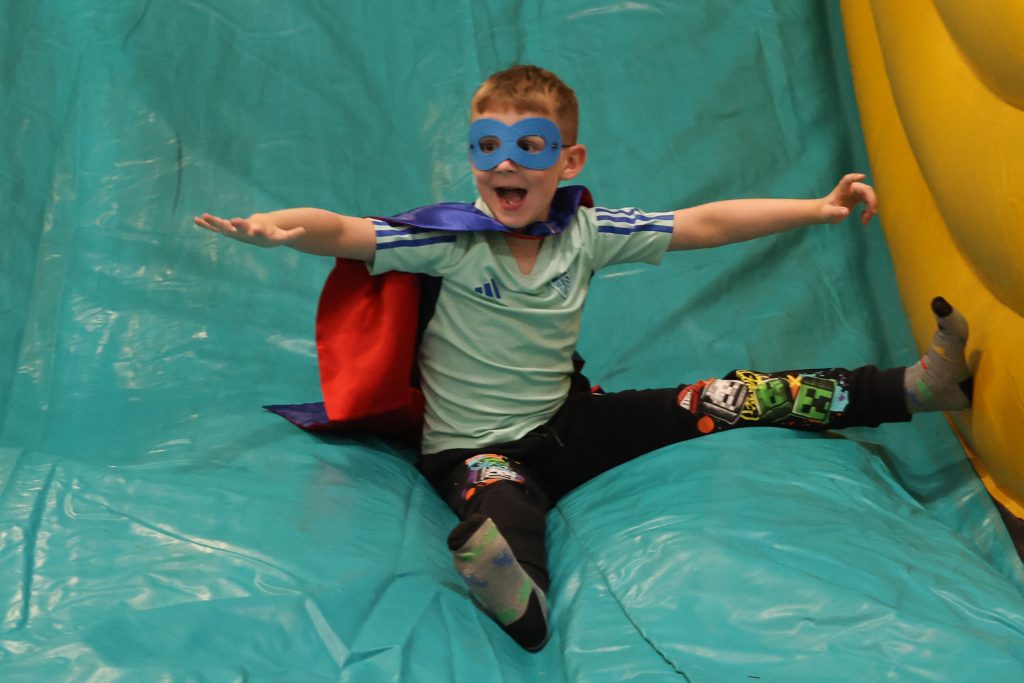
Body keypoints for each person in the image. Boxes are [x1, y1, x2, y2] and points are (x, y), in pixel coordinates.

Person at [194, 65, 972, 651]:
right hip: (478, 450)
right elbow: (344, 230)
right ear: (472, 158)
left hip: (573, 423)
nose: (506, 165)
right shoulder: (451, 242)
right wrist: (274, 224)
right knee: (499, 505)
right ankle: (516, 597)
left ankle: (913, 389)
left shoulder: (588, 233)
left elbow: (703, 222)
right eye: (487, 147)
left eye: (529, 147)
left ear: (567, 160)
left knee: (732, 395)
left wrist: (817, 207)